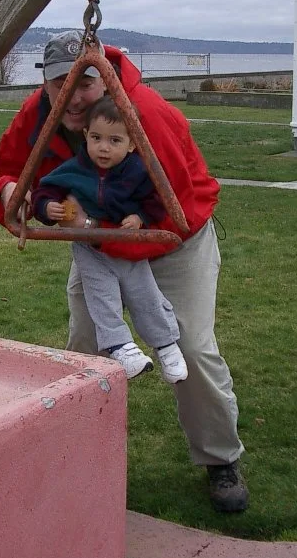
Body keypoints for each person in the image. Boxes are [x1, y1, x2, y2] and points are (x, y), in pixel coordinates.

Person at [0, 29, 249, 513]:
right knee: (86, 346)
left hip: (172, 238)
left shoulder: (147, 114)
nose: (73, 97)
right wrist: (11, 195)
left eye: (84, 84)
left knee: (190, 346)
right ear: (45, 82)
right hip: (98, 241)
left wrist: (93, 231)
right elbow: (11, 172)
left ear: (104, 82)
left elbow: (174, 207)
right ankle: (73, 449)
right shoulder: (38, 114)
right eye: (61, 83)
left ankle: (220, 458)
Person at [30, 95, 188, 384]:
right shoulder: (76, 168)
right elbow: (46, 188)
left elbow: (157, 200)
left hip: (127, 246)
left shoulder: (138, 171)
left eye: (115, 140)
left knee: (144, 294)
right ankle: (121, 347)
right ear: (85, 136)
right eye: (96, 138)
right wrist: (46, 207)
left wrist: (140, 217)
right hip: (90, 248)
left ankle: (166, 346)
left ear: (132, 144)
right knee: (101, 296)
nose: (103, 147)